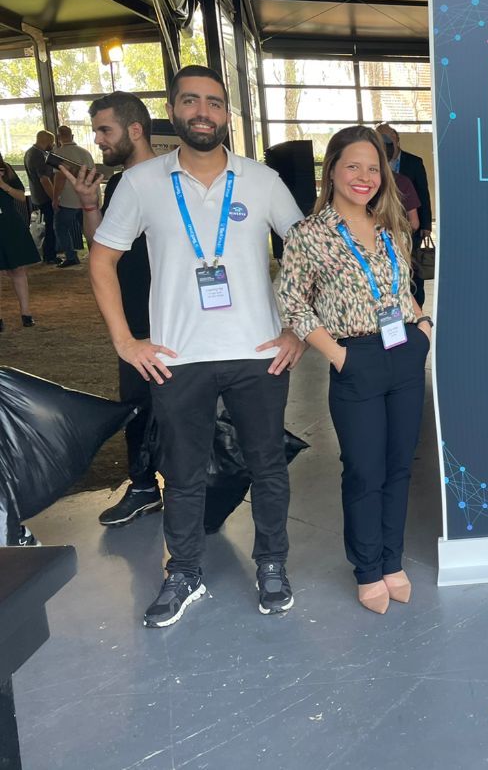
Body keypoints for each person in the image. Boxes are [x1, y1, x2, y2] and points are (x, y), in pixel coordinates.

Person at [89, 65, 306, 628]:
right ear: (173, 110)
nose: (202, 112)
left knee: (267, 467)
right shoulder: (141, 183)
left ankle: (273, 564)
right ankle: (183, 571)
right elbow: (102, 259)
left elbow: (307, 254)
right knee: (183, 474)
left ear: (226, 113)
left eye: (213, 102)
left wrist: (296, 330)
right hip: (177, 358)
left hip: (259, 353)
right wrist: (125, 341)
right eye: (191, 101)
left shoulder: (261, 180)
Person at [278, 126, 431, 614]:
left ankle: (392, 561)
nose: (364, 177)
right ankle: (367, 568)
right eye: (353, 166)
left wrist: (423, 328)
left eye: (373, 168)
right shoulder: (308, 235)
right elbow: (293, 303)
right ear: (332, 171)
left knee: (400, 466)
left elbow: (401, 289)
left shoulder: (390, 228)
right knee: (365, 470)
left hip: (404, 352)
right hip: (355, 357)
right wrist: (338, 355)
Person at [59, 92, 162, 526]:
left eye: (105, 130)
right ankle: (144, 486)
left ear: (134, 130)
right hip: (133, 317)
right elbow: (101, 246)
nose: (98, 140)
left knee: (186, 405)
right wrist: (89, 204)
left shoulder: (172, 178)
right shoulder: (120, 184)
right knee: (137, 404)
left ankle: (199, 488)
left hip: (175, 315)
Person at [376, 124, 432, 304]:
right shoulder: (373, 166)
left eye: (388, 139)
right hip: (383, 230)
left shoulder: (413, 163)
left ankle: (417, 305)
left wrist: (426, 225)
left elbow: (423, 193)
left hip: (409, 229)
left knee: (413, 270)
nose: (385, 144)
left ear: (397, 140)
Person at [0, 151, 38, 331]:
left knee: (18, 269)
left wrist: (3, 186)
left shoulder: (6, 170)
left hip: (10, 225)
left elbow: (22, 197)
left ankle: (26, 313)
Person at [51, 125, 95, 267]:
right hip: (85, 198)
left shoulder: (58, 153)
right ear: (72, 136)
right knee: (88, 229)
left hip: (68, 200)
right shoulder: (85, 152)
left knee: (61, 227)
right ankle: (95, 255)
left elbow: (60, 178)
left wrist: (55, 197)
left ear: (58, 138)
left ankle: (71, 256)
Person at [23, 131, 57, 263]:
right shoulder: (38, 155)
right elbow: (44, 179)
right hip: (45, 197)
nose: (52, 145)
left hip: (37, 195)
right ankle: (50, 255)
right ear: (46, 141)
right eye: (52, 142)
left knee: (47, 225)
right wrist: (54, 198)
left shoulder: (29, 152)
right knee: (50, 226)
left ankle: (49, 254)